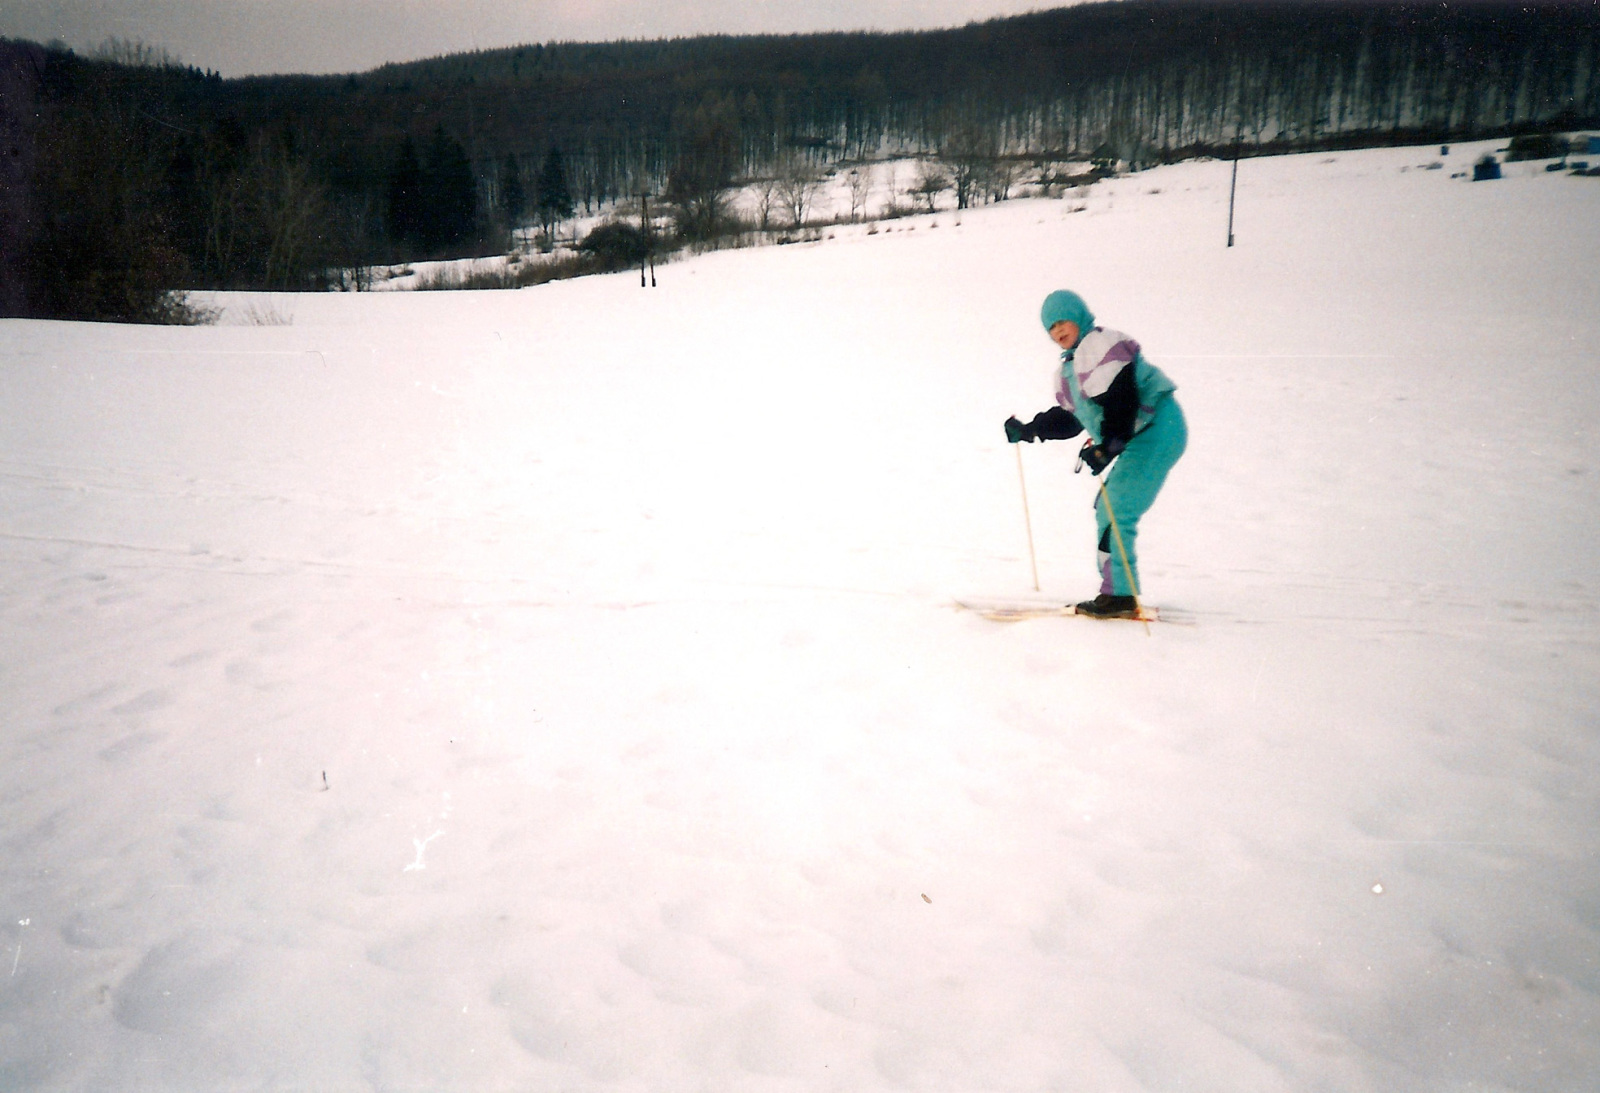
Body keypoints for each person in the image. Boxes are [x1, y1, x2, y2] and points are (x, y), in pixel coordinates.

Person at [1004, 290, 1187, 618]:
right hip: (1143, 434)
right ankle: (1117, 592)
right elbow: (1072, 418)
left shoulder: (1098, 346)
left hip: (1158, 429)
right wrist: (1030, 429)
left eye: (1062, 321)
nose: (1057, 331)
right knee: (1109, 508)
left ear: (1079, 316)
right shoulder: (1072, 368)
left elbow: (1122, 399)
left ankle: (1119, 596)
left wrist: (1109, 446)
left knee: (1115, 509)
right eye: (1050, 327)